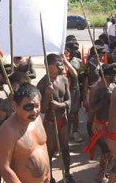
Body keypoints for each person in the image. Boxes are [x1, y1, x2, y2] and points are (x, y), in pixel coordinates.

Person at [0, 83, 50, 183]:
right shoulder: (8, 130)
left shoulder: (37, 119)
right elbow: (3, 167)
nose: (34, 111)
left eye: (37, 106)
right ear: (15, 106)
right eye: (28, 107)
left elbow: (44, 149)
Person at [37, 53, 76, 183]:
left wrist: (60, 105)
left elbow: (69, 101)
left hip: (62, 120)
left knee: (65, 148)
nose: (61, 67)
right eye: (58, 64)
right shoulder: (42, 85)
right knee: (50, 151)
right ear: (49, 67)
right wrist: (47, 96)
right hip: (49, 122)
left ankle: (67, 174)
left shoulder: (63, 80)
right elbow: (41, 109)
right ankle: (50, 177)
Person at [88, 63, 116, 182]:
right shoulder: (96, 88)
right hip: (100, 124)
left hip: (111, 123)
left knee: (110, 151)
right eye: (112, 75)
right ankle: (101, 174)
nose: (115, 77)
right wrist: (105, 99)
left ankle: (104, 171)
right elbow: (91, 108)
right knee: (106, 150)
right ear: (105, 75)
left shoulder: (113, 86)